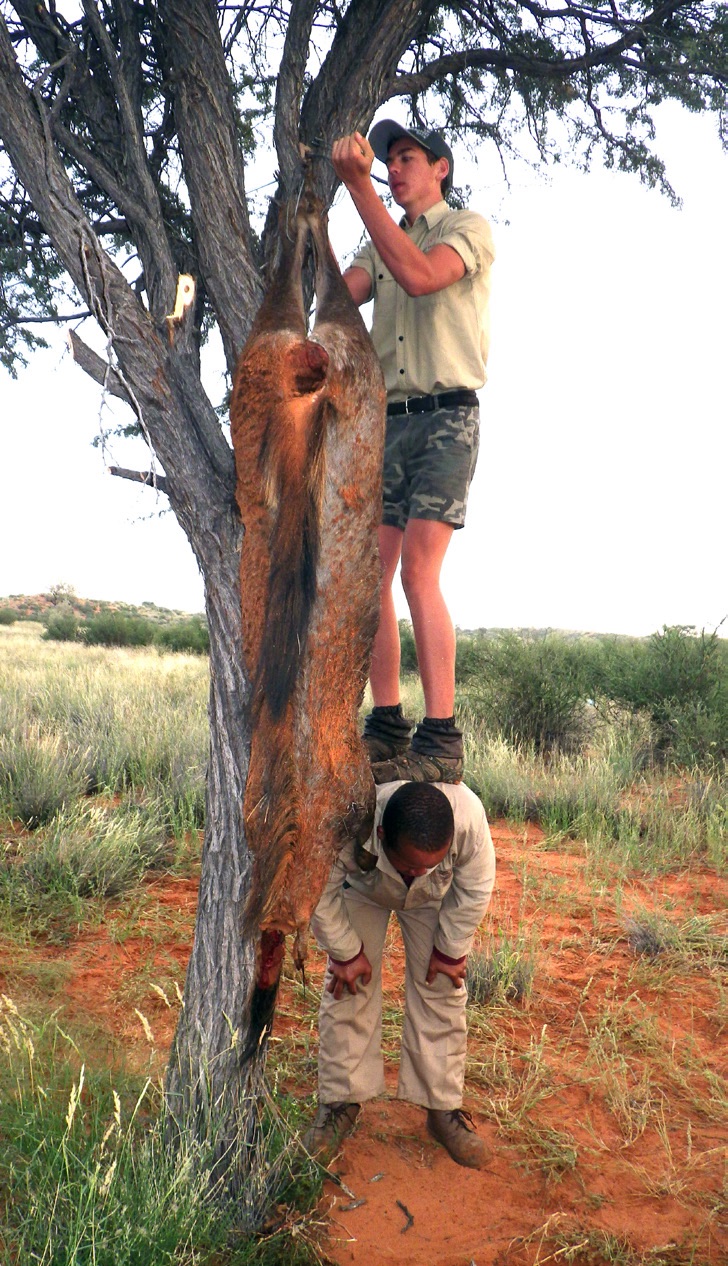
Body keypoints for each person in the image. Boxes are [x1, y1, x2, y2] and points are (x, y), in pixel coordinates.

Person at [331, 121, 495, 784]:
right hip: (385, 424)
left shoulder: (468, 228)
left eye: (406, 158)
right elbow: (342, 296)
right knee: (372, 577)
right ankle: (388, 723)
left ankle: (441, 734)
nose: (393, 170)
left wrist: (356, 187)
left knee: (417, 574)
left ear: (441, 169)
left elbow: (422, 276)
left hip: (447, 418)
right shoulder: (379, 242)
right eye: (388, 160)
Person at [303, 780, 496, 1169]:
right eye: (411, 864)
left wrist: (450, 949)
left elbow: (475, 887)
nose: (418, 871)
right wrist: (345, 951)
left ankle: (442, 1109)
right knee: (349, 986)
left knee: (443, 987)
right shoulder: (349, 815)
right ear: (380, 834)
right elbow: (317, 886)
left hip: (433, 898)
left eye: (430, 863)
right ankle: (340, 1103)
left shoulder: (468, 819)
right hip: (363, 887)